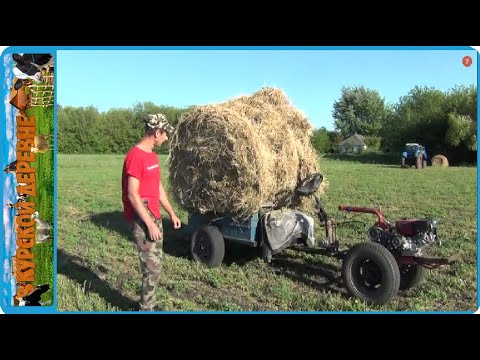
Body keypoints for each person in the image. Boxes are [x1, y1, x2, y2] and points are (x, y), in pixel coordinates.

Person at [121, 113, 181, 311]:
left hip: (154, 215)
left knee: (155, 267)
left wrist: (171, 212)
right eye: (165, 134)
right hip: (143, 219)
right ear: (156, 132)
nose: (166, 137)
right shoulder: (135, 156)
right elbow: (132, 194)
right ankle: (146, 308)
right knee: (151, 268)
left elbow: (157, 187)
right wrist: (149, 223)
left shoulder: (152, 155)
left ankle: (148, 304)